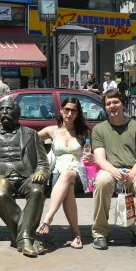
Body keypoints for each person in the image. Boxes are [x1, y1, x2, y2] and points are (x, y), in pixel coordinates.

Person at [0, 98, 50, 258]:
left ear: (18, 114)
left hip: (26, 177)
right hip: (1, 177)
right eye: (1, 110)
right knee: (0, 192)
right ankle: (27, 238)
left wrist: (41, 171)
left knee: (37, 189)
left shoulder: (31, 134)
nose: (4, 112)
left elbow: (43, 162)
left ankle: (22, 238)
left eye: (8, 109)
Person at [91, 89, 136, 250]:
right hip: (111, 170)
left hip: (134, 170)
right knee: (102, 181)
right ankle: (100, 233)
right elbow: (99, 158)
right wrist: (114, 172)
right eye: (108, 103)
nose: (112, 106)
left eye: (115, 102)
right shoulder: (99, 129)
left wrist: (132, 174)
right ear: (104, 108)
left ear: (123, 104)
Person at [36, 97, 92, 249]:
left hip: (80, 174)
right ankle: (76, 235)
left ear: (78, 113)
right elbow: (29, 137)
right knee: (68, 187)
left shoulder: (84, 132)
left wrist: (91, 157)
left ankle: (47, 220)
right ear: (61, 110)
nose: (70, 113)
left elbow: (90, 155)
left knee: (68, 175)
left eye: (74, 110)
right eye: (67, 109)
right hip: (57, 175)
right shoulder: (52, 131)